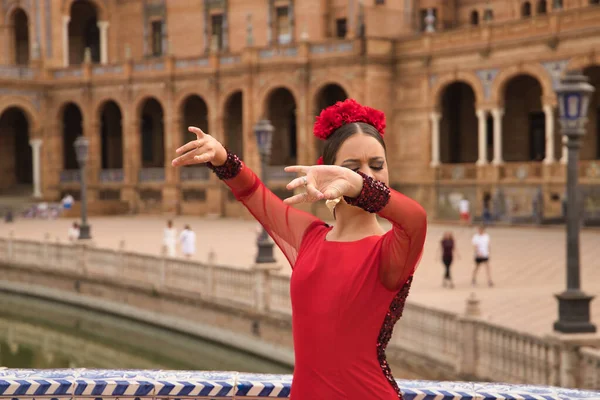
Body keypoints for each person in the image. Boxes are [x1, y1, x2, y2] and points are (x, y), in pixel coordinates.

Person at [172, 99, 427, 400]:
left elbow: (415, 219)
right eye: (352, 167)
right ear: (326, 171)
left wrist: (355, 183)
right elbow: (253, 193)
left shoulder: (389, 251)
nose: (366, 174)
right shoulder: (310, 238)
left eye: (376, 165)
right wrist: (221, 157)